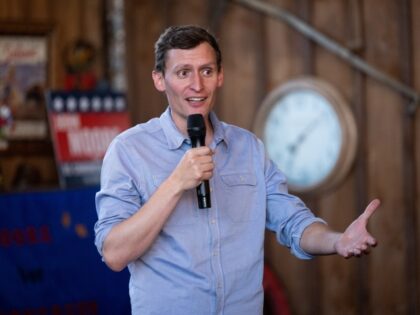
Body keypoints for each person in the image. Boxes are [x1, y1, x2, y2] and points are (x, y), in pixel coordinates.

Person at [94, 25, 380, 315]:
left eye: (206, 71)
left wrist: (338, 241)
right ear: (159, 79)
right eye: (183, 73)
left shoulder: (249, 149)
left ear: (220, 76)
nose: (197, 85)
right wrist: (175, 183)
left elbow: (293, 221)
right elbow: (115, 253)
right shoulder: (129, 150)